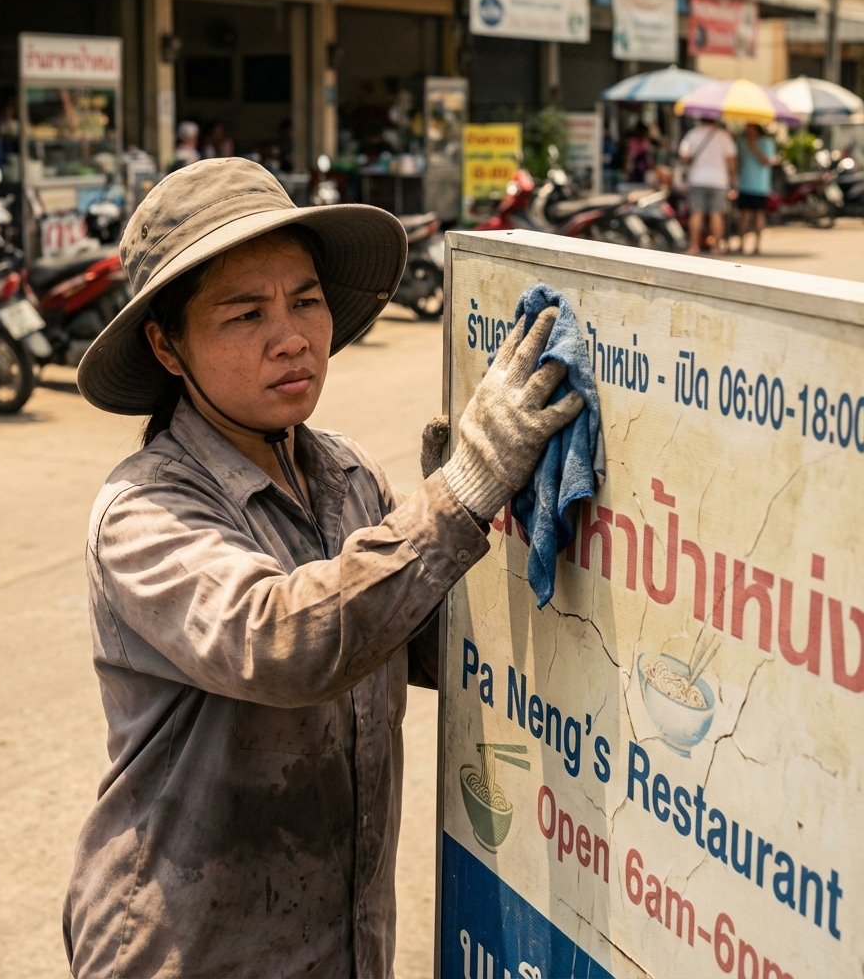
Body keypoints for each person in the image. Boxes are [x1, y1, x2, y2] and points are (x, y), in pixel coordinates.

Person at [63, 156, 585, 977]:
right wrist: (459, 490)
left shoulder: (347, 475)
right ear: (168, 346)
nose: (293, 336)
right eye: (244, 315)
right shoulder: (143, 512)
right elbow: (279, 641)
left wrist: (507, 523)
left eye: (305, 300)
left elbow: (414, 647)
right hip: (192, 949)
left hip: (339, 943)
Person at [677, 116, 738, 255]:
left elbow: (683, 155)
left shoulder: (692, 134)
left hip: (697, 179)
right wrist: (733, 180)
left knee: (696, 213)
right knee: (716, 214)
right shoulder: (723, 136)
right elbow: (731, 160)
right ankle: (716, 247)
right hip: (719, 180)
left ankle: (693, 246)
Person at [734, 122, 777, 255]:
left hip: (759, 186)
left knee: (759, 215)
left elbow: (767, 162)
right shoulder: (741, 142)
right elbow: (737, 162)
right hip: (743, 184)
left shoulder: (766, 143)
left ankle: (757, 245)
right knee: (743, 215)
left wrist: (754, 148)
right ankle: (741, 244)